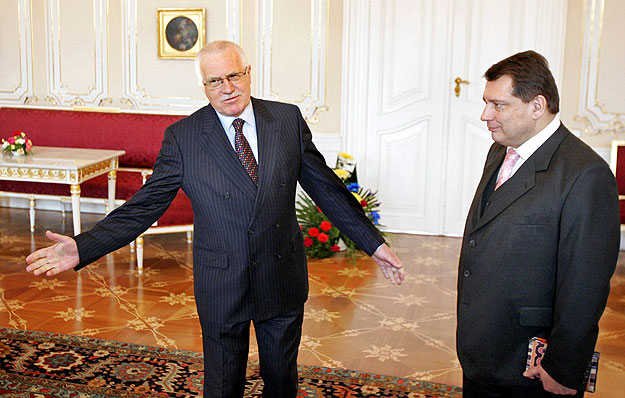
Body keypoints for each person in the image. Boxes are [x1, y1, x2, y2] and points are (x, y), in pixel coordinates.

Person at [25, 40, 405, 397]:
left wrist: (372, 242)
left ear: (248, 73)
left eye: (234, 76)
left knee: (281, 380)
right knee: (222, 384)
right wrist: (83, 246)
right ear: (203, 86)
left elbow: (326, 187)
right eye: (215, 81)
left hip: (281, 274)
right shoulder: (184, 137)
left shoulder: (286, 120)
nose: (227, 88)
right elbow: (145, 205)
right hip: (223, 281)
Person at [457, 50, 620, 397]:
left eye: (498, 105)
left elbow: (585, 286)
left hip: (531, 362)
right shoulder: (500, 150)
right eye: (486, 103)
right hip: (484, 346)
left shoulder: (585, 174)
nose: (485, 115)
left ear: (536, 106)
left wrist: (564, 367)